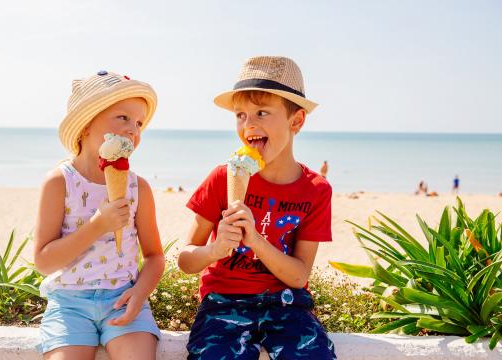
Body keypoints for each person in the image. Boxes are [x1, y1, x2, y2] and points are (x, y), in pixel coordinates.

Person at [178, 56, 336, 359]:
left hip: (287, 302)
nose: (248, 124)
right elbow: (186, 260)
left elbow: (299, 276)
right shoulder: (222, 178)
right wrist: (214, 251)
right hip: (224, 302)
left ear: (296, 121)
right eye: (240, 114)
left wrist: (256, 241)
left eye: (262, 113)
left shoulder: (315, 190)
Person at [33, 71, 164, 360]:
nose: (134, 129)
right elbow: (43, 261)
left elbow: (155, 256)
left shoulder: (138, 187)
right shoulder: (59, 183)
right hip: (69, 304)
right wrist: (98, 225)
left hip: (123, 298)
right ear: (86, 125)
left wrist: (139, 294)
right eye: (123, 118)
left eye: (139, 123)